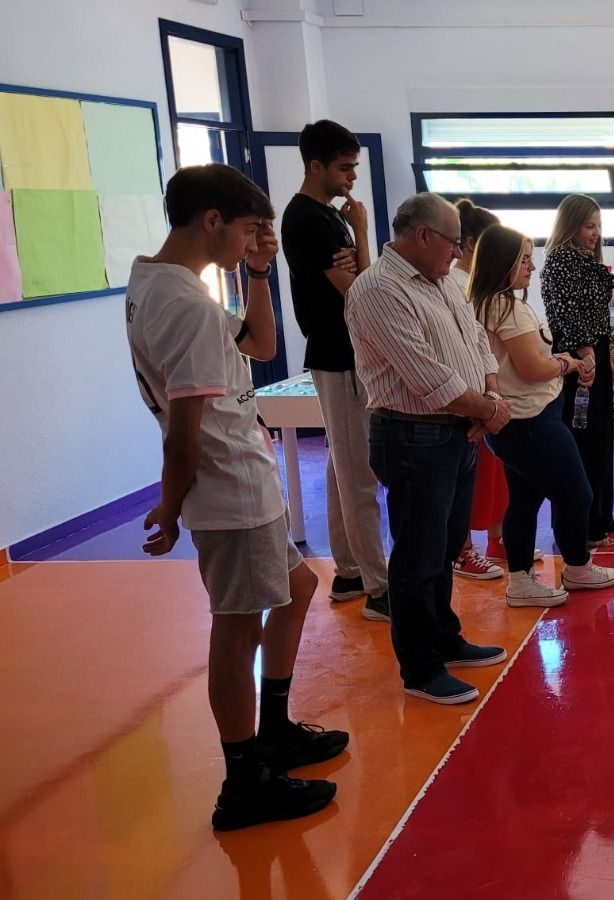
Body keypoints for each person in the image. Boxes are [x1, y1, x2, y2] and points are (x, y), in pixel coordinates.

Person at [128, 164, 345, 830]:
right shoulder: (186, 306)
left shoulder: (160, 283)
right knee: (237, 625)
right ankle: (242, 777)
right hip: (228, 486)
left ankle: (272, 730)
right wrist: (170, 505)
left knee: (298, 585)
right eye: (250, 231)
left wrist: (256, 274)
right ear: (213, 220)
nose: (257, 242)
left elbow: (262, 343)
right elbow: (184, 436)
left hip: (244, 478)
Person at [345, 192, 510, 705]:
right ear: (422, 236)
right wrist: (487, 410)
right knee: (417, 557)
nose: (459, 254)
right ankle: (420, 668)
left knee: (445, 547)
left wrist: (490, 396)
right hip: (413, 436)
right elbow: (425, 378)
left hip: (457, 433)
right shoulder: (379, 290)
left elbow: (477, 341)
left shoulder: (444, 282)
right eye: (454, 243)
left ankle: (445, 637)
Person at [468, 224, 614, 605]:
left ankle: (522, 580)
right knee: (576, 492)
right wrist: (569, 363)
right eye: (523, 259)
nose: (531, 267)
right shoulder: (506, 309)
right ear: (502, 263)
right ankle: (576, 565)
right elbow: (533, 368)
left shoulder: (492, 304)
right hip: (530, 421)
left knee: (524, 499)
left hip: (520, 420)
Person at [280, 119, 390, 619]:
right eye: (344, 169)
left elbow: (358, 280)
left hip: (342, 354)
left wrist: (359, 239)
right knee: (358, 472)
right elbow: (362, 292)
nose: (351, 178)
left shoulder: (326, 217)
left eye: (354, 168)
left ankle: (348, 571)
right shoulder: (310, 220)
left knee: (341, 464)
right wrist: (363, 234)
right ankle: (378, 585)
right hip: (339, 355)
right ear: (315, 165)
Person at [541, 193, 614, 546]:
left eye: (598, 226)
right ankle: (581, 524)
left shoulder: (585, 260)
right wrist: (588, 355)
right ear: (570, 225)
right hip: (577, 355)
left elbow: (600, 314)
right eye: (589, 226)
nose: (595, 233)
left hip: (595, 350)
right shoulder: (560, 260)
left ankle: (598, 517)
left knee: (599, 438)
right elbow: (568, 314)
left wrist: (609, 353)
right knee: (582, 441)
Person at [445, 199, 512, 580]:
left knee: (493, 471)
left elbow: (481, 344)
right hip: (465, 396)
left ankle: (497, 538)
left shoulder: (475, 284)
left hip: (487, 391)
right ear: (469, 244)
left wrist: (494, 391)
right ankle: (462, 550)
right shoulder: (453, 284)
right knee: (466, 479)